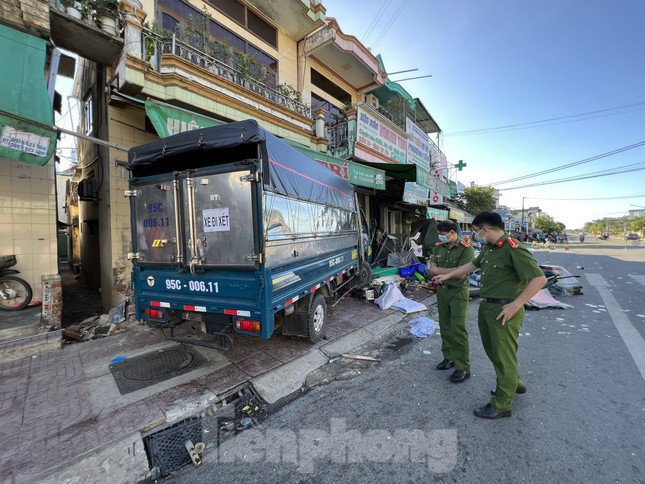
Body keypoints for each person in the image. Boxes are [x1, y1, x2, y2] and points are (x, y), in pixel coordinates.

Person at [432, 212, 546, 419]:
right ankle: (514, 383)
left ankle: (502, 403)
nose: (475, 236)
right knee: (493, 351)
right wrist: (447, 275)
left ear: (486, 229)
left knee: (503, 355)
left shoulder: (513, 248)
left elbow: (539, 279)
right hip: (488, 306)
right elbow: (472, 266)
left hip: (505, 310)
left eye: (476, 232)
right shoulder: (490, 249)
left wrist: (516, 304)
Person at [428, 220, 475, 383]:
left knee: (457, 329)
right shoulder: (439, 247)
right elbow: (431, 269)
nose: (442, 236)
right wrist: (452, 270)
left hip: (458, 293)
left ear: (453, 232)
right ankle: (449, 358)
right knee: (445, 327)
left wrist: (441, 270)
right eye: (440, 233)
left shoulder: (466, 249)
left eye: (444, 233)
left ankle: (463, 367)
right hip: (442, 291)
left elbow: (462, 274)